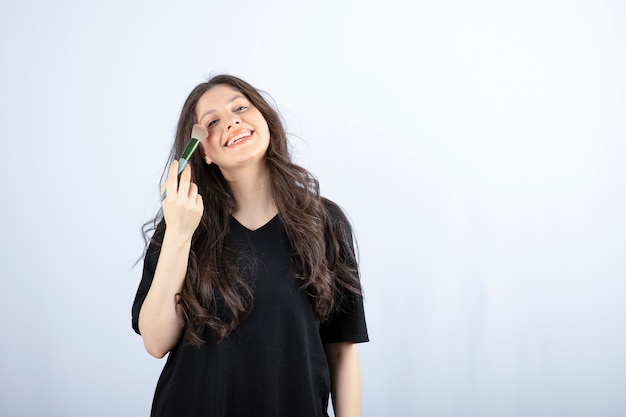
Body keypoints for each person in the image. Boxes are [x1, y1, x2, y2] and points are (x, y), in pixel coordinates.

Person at [131, 74, 368, 417]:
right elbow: (155, 342)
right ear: (203, 152)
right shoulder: (180, 225)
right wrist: (179, 235)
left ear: (265, 120)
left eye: (240, 107)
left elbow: (342, 349)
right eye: (213, 122)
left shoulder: (325, 222)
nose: (232, 121)